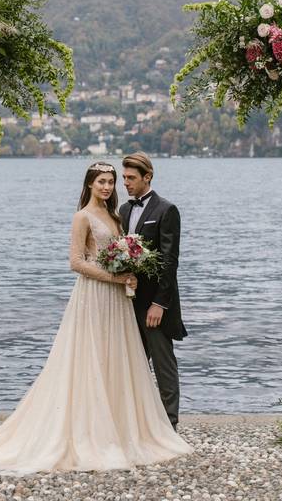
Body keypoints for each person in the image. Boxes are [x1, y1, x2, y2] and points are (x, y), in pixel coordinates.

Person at [0, 162, 191, 474]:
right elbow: (76, 261)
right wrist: (118, 279)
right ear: (89, 184)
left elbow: (164, 259)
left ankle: (136, 428)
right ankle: (92, 432)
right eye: (102, 181)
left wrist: (139, 286)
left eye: (113, 182)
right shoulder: (84, 217)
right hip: (96, 295)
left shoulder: (119, 216)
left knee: (118, 362)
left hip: (121, 303)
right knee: (91, 360)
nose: (108, 187)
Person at [119, 152, 187, 431]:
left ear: (147, 177)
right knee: (132, 365)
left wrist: (160, 303)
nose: (126, 183)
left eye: (131, 178)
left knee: (163, 364)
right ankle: (137, 421)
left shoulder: (166, 210)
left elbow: (170, 261)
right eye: (123, 178)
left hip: (155, 304)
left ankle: (170, 425)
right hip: (127, 301)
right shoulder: (122, 211)